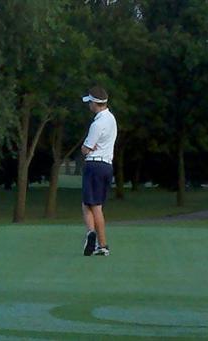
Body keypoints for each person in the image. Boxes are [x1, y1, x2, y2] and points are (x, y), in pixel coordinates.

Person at [80, 86, 118, 256]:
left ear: (95, 103)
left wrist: (86, 148)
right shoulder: (111, 119)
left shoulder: (97, 123)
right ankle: (101, 245)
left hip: (94, 165)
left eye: (90, 102)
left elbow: (85, 149)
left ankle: (92, 234)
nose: (89, 106)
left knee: (90, 205)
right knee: (96, 205)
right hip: (107, 165)